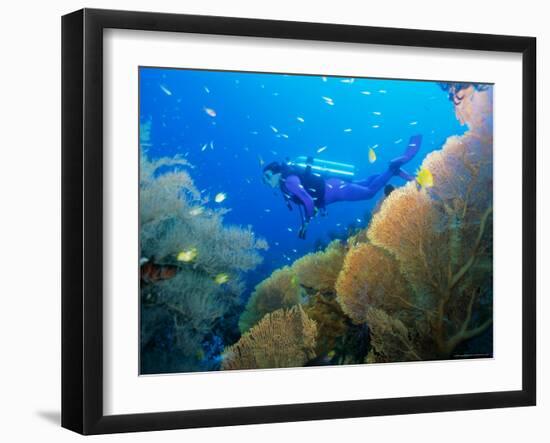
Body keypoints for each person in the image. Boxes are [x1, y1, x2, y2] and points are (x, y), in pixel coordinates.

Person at [262, 135, 422, 238]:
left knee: (369, 192)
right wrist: (305, 223)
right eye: (264, 180)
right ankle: (390, 172)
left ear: (276, 172)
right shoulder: (285, 185)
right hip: (334, 186)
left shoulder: (288, 181)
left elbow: (308, 201)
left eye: (267, 177)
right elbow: (306, 201)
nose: (267, 182)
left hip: (337, 191)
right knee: (366, 183)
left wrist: (310, 217)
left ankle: (392, 168)